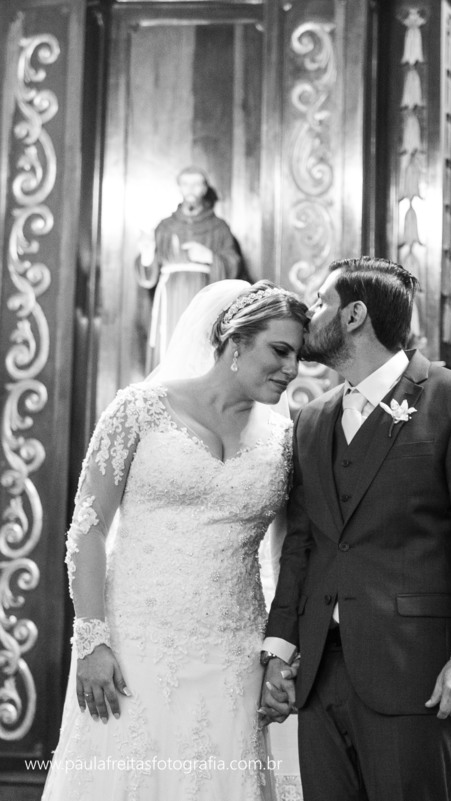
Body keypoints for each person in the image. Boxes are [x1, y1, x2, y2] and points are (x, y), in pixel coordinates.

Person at [42, 280, 309, 800]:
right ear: (235, 341)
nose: (292, 368)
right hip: (133, 646)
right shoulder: (139, 410)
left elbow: (286, 554)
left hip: (234, 654)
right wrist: (92, 639)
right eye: (280, 350)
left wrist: (278, 651)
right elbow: (88, 528)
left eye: (298, 355)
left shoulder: (285, 440)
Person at [259, 257, 451, 801]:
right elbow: (301, 545)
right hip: (319, 675)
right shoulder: (311, 419)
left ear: (353, 315)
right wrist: (278, 649)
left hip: (414, 670)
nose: (308, 315)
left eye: (320, 302)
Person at [137, 166, 246, 373]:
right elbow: (148, 276)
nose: (191, 190)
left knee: (199, 349)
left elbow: (234, 264)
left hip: (202, 295)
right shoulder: (165, 226)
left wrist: (210, 257)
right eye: (186, 184)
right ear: (179, 187)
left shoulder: (218, 227)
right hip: (170, 297)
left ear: (205, 189)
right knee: (169, 347)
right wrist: (147, 252)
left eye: (196, 184)